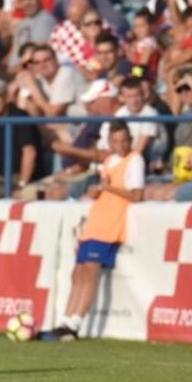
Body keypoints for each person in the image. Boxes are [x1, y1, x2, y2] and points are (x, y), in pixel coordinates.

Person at [39, 120, 144, 341]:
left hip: (112, 222)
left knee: (90, 270)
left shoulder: (135, 160)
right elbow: (108, 189)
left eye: (124, 140)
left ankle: (75, 324)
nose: (120, 145)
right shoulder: (109, 161)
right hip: (97, 219)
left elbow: (136, 195)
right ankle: (65, 321)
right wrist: (98, 193)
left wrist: (109, 189)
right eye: (116, 141)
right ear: (110, 143)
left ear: (130, 140)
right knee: (77, 271)